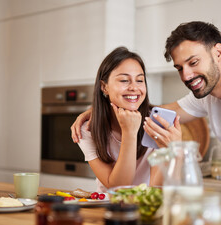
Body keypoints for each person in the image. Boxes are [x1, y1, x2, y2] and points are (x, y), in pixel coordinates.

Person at [71, 22, 221, 225]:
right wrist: (100, 108)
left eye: (193, 62)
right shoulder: (207, 97)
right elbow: (150, 110)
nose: (187, 75)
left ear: (218, 52)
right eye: (180, 68)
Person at [76, 47, 181, 193]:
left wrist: (170, 152)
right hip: (108, 208)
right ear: (104, 87)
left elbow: (156, 189)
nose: (134, 87)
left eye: (140, 80)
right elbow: (118, 188)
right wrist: (129, 132)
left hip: (145, 206)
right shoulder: (87, 129)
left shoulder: (157, 124)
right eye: (124, 80)